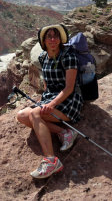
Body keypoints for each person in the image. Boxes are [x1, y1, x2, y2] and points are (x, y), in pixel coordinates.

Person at [16, 24, 84, 179]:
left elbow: (69, 88)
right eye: (49, 37)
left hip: (70, 100)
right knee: (21, 116)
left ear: (60, 39)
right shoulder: (43, 57)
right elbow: (46, 84)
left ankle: (51, 161)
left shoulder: (69, 56)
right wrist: (44, 100)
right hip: (51, 98)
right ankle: (65, 132)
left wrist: (50, 105)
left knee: (35, 113)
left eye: (56, 36)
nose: (53, 39)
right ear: (44, 41)